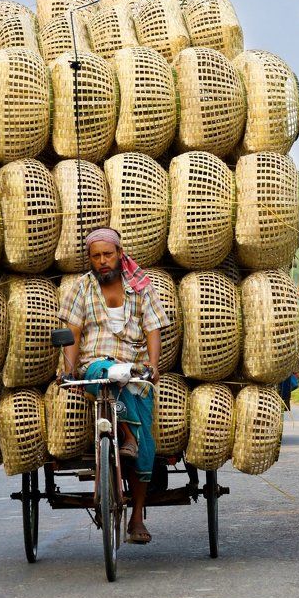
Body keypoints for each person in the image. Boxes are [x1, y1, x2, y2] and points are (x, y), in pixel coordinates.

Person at [58, 227, 170, 544]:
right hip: (96, 366)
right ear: (90, 260)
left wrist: (153, 364)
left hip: (133, 369)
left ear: (120, 255)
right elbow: (73, 333)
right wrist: (68, 370)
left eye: (108, 254)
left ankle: (136, 517)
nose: (103, 261)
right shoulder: (82, 288)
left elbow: (152, 329)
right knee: (107, 372)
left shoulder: (141, 288)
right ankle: (128, 435)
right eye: (96, 256)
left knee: (145, 442)